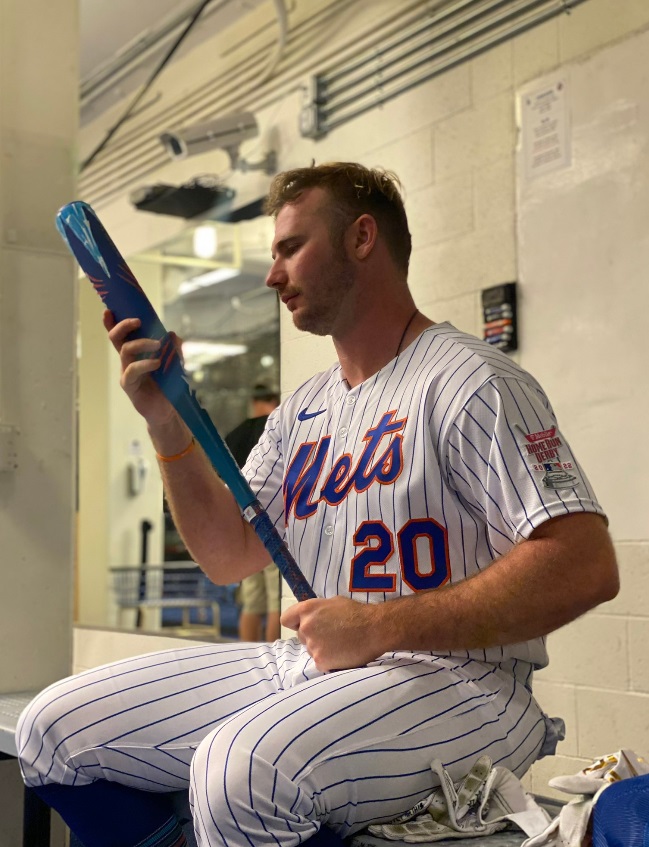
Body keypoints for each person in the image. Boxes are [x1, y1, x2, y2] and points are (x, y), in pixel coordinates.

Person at [16, 162, 619, 847]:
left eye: (290, 248)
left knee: (240, 770)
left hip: (465, 681)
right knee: (52, 728)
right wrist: (164, 421)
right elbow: (224, 556)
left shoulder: (471, 380)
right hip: (310, 662)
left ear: (362, 238)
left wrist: (378, 626)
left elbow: (583, 564)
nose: (273, 275)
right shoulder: (301, 409)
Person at [225, 384, 282, 641]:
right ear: (273, 399)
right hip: (272, 522)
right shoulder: (275, 427)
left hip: (241, 527)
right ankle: (272, 665)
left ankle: (246, 659)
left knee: (251, 602)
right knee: (275, 601)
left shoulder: (236, 434)